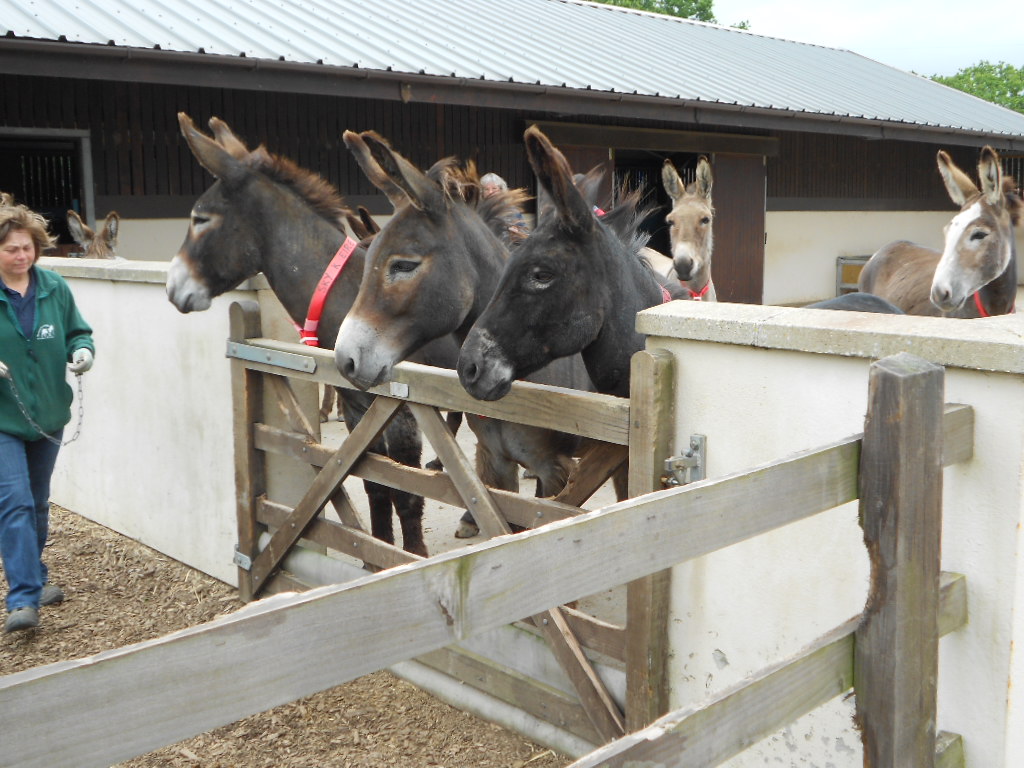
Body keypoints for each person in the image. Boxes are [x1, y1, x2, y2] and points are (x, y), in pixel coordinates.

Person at [0, 203, 94, 633]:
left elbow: (78, 330)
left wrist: (82, 352)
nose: (21, 257)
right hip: (3, 419)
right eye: (11, 250)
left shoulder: (54, 287)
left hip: (49, 415)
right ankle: (22, 600)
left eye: (27, 249)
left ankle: (34, 579)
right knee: (15, 501)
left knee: (37, 503)